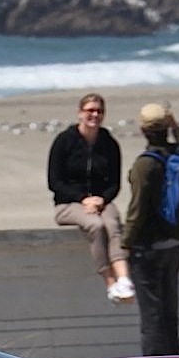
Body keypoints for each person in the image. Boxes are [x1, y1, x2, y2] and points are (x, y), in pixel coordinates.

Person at [47, 92, 134, 304]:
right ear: (80, 113)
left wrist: (101, 199)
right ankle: (110, 282)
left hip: (101, 200)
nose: (94, 115)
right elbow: (54, 182)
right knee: (95, 226)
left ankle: (124, 280)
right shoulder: (64, 141)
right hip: (68, 203)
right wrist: (82, 198)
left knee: (113, 224)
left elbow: (115, 183)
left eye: (99, 111)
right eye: (90, 110)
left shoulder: (109, 143)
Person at [123, 103, 179, 354]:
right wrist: (177, 127)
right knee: (169, 315)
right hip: (175, 244)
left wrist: (125, 244)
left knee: (152, 319)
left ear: (143, 130)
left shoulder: (145, 164)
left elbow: (137, 210)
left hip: (148, 249)